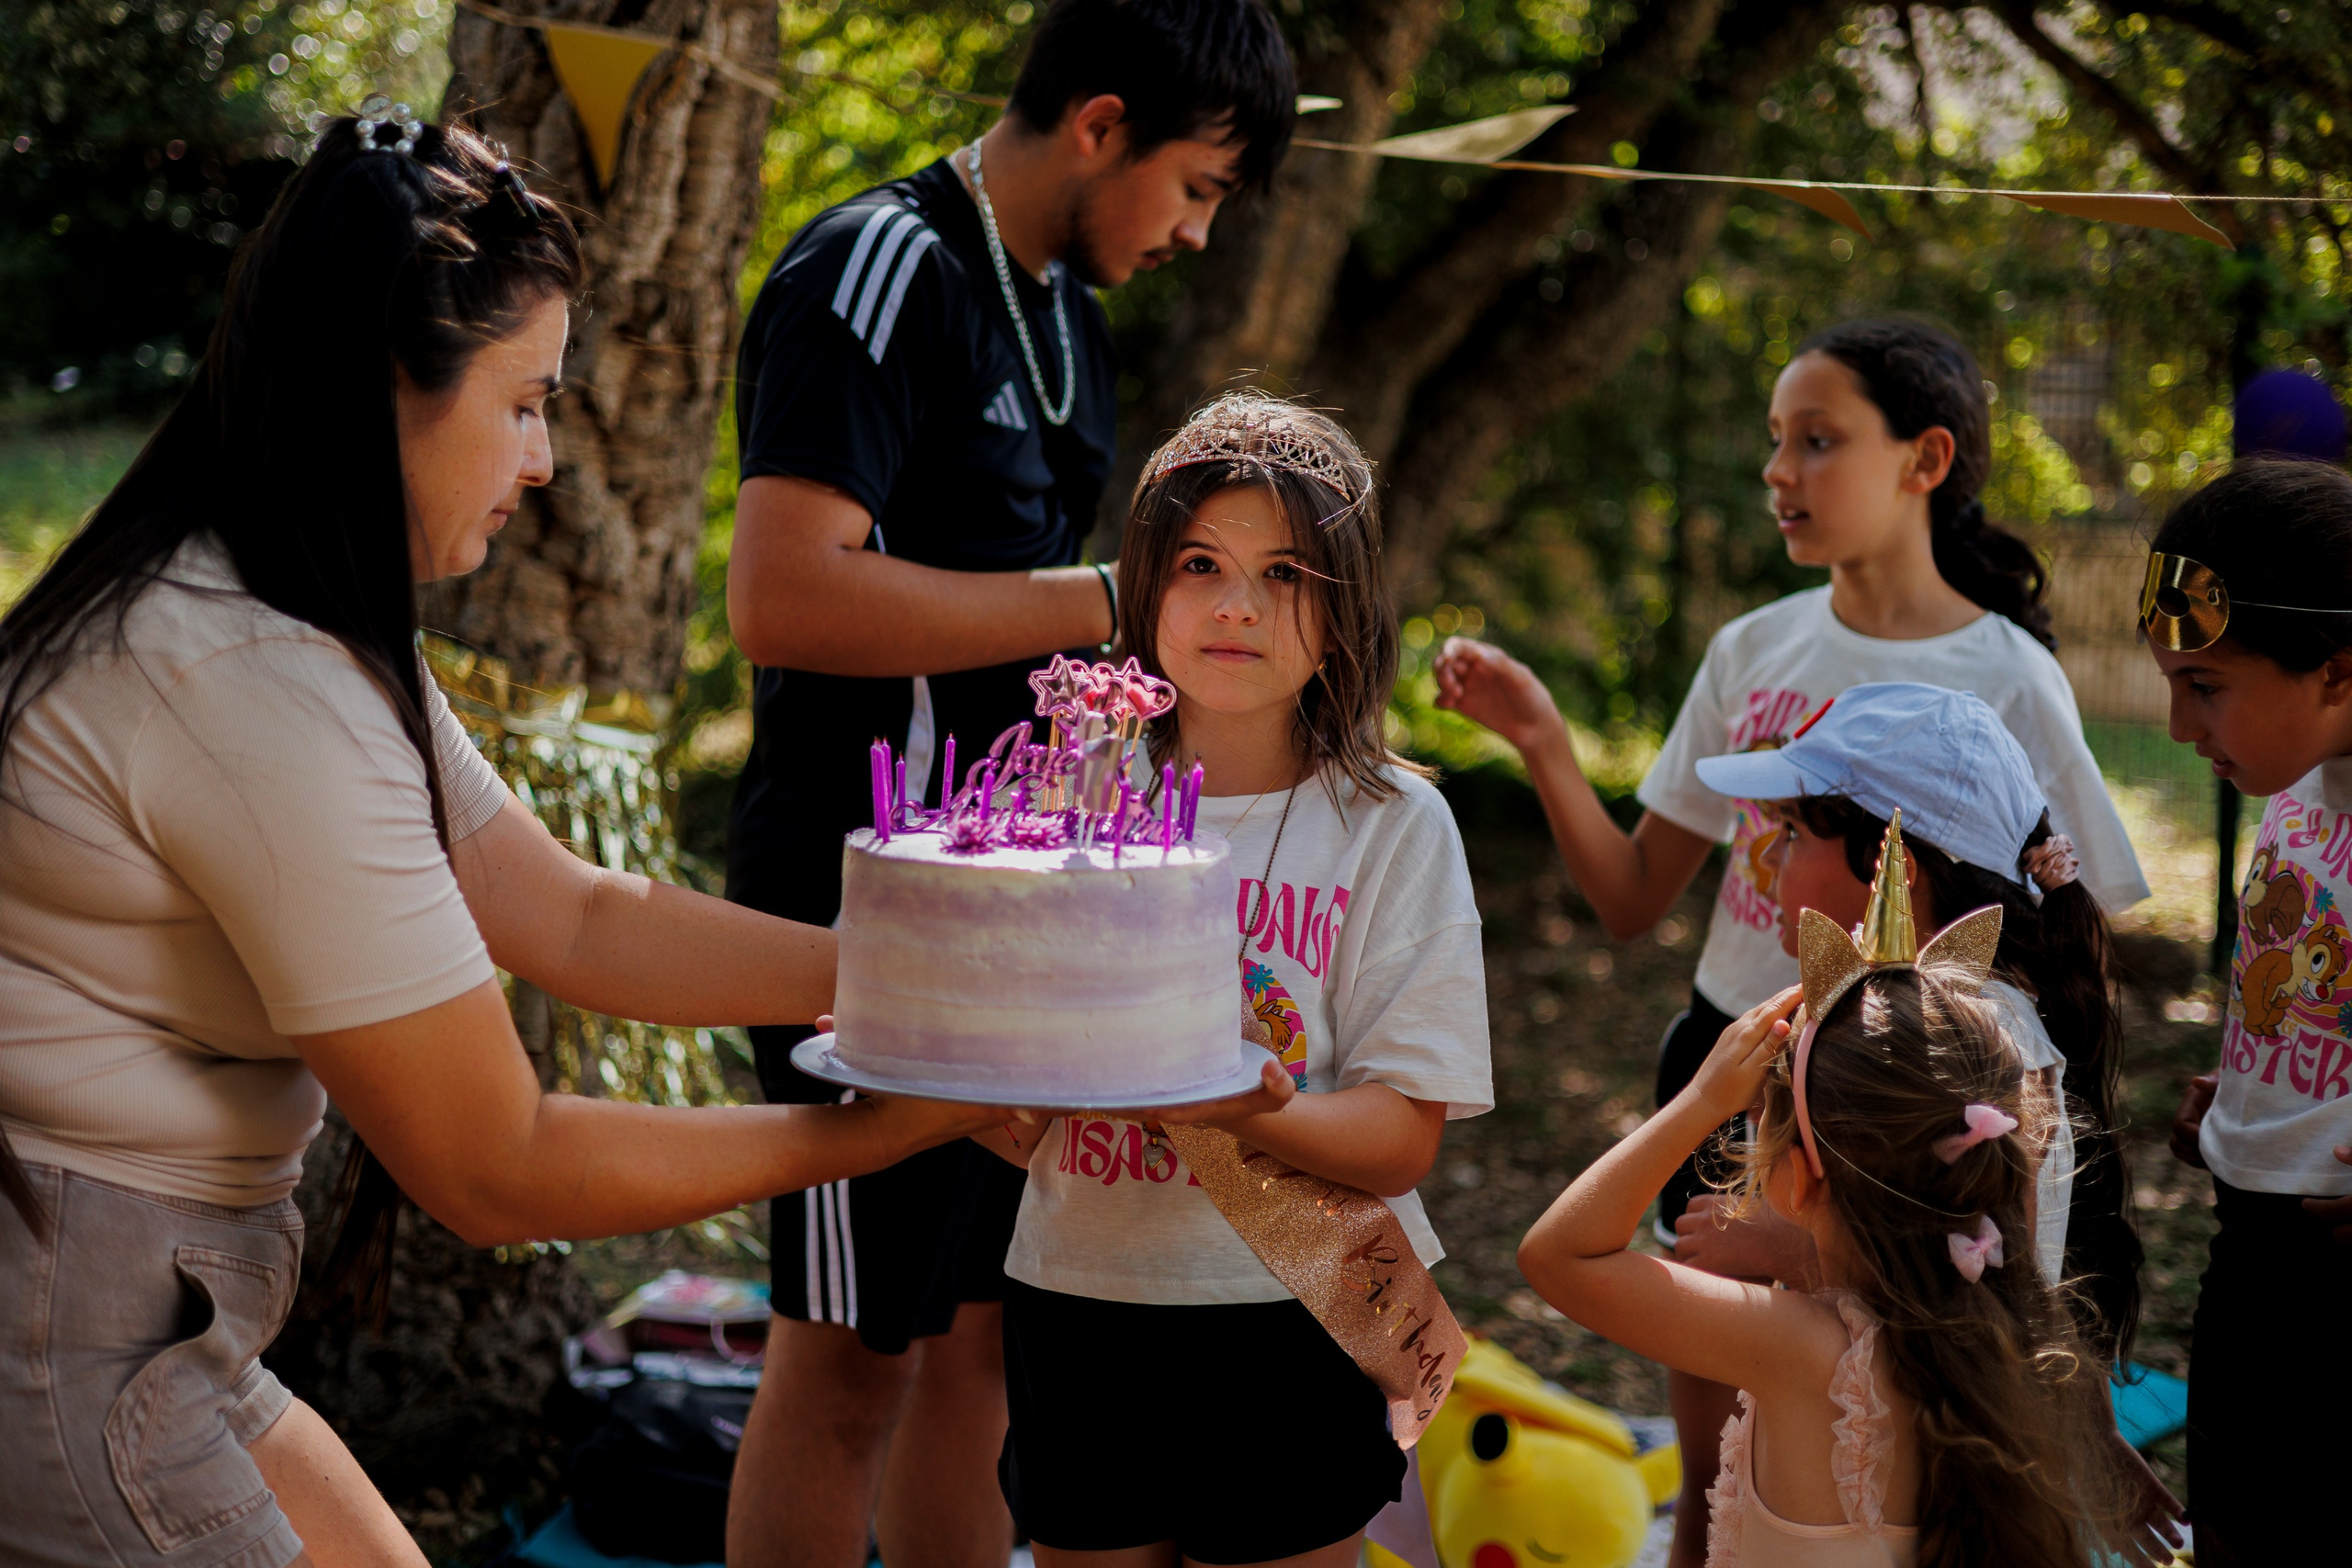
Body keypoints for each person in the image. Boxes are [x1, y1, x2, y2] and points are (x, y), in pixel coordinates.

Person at [0, 114, 1012, 1568]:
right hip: (70, 1335)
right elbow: (499, 1163)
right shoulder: (245, 676)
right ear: (380, 390)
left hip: (158, 1318)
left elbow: (576, 914)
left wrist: (923, 985)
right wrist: (895, 1122)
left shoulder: (290, 607)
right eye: (525, 400)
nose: (541, 458)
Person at [719, 5, 1297, 1562]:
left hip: (1022, 917)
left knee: (980, 1345)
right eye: (1192, 186)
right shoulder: (881, 269)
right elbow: (782, 597)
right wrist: (1097, 604)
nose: (1191, 232)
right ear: (1100, 122)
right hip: (864, 914)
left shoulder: (1061, 313)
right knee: (846, 1361)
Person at [1430, 315, 2146, 1564]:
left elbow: (1967, 1270)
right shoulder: (1754, 644)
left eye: (1818, 440)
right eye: (1775, 441)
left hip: (1880, 1090)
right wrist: (1547, 743)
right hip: (1758, 1068)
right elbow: (1635, 892)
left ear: (1927, 459)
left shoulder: (1986, 1040)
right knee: (1747, 1460)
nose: (1781, 472)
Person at [972, 394, 1493, 1567]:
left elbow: (1405, 1137)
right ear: (1145, 583)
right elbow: (1022, 1115)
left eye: (1288, 574)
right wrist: (934, 1053)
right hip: (1078, 1299)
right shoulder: (1065, 804)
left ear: (1345, 605)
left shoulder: (1392, 827)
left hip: (1292, 1316)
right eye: (1200, 562)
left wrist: (1251, 1107)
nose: (1237, 603)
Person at [1518, 817, 2132, 1566]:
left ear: (1795, 1179)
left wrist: (1703, 1097)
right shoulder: (2014, 1342)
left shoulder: (1803, 1351)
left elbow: (1557, 1255)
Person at [1686, 682, 2183, 1562]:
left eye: (1796, 833)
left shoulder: (1970, 1044)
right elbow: (2021, 1266)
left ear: (1894, 868)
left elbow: (1984, 1271)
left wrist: (1781, 1248)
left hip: (1927, 1487)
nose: (1767, 861)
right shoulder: (1911, 1028)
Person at [2142, 457, 2352, 1566]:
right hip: (2246, 1255)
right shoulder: (2291, 796)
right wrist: (2253, 1080)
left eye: (2206, 685)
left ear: (2337, 668)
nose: (2178, 723)